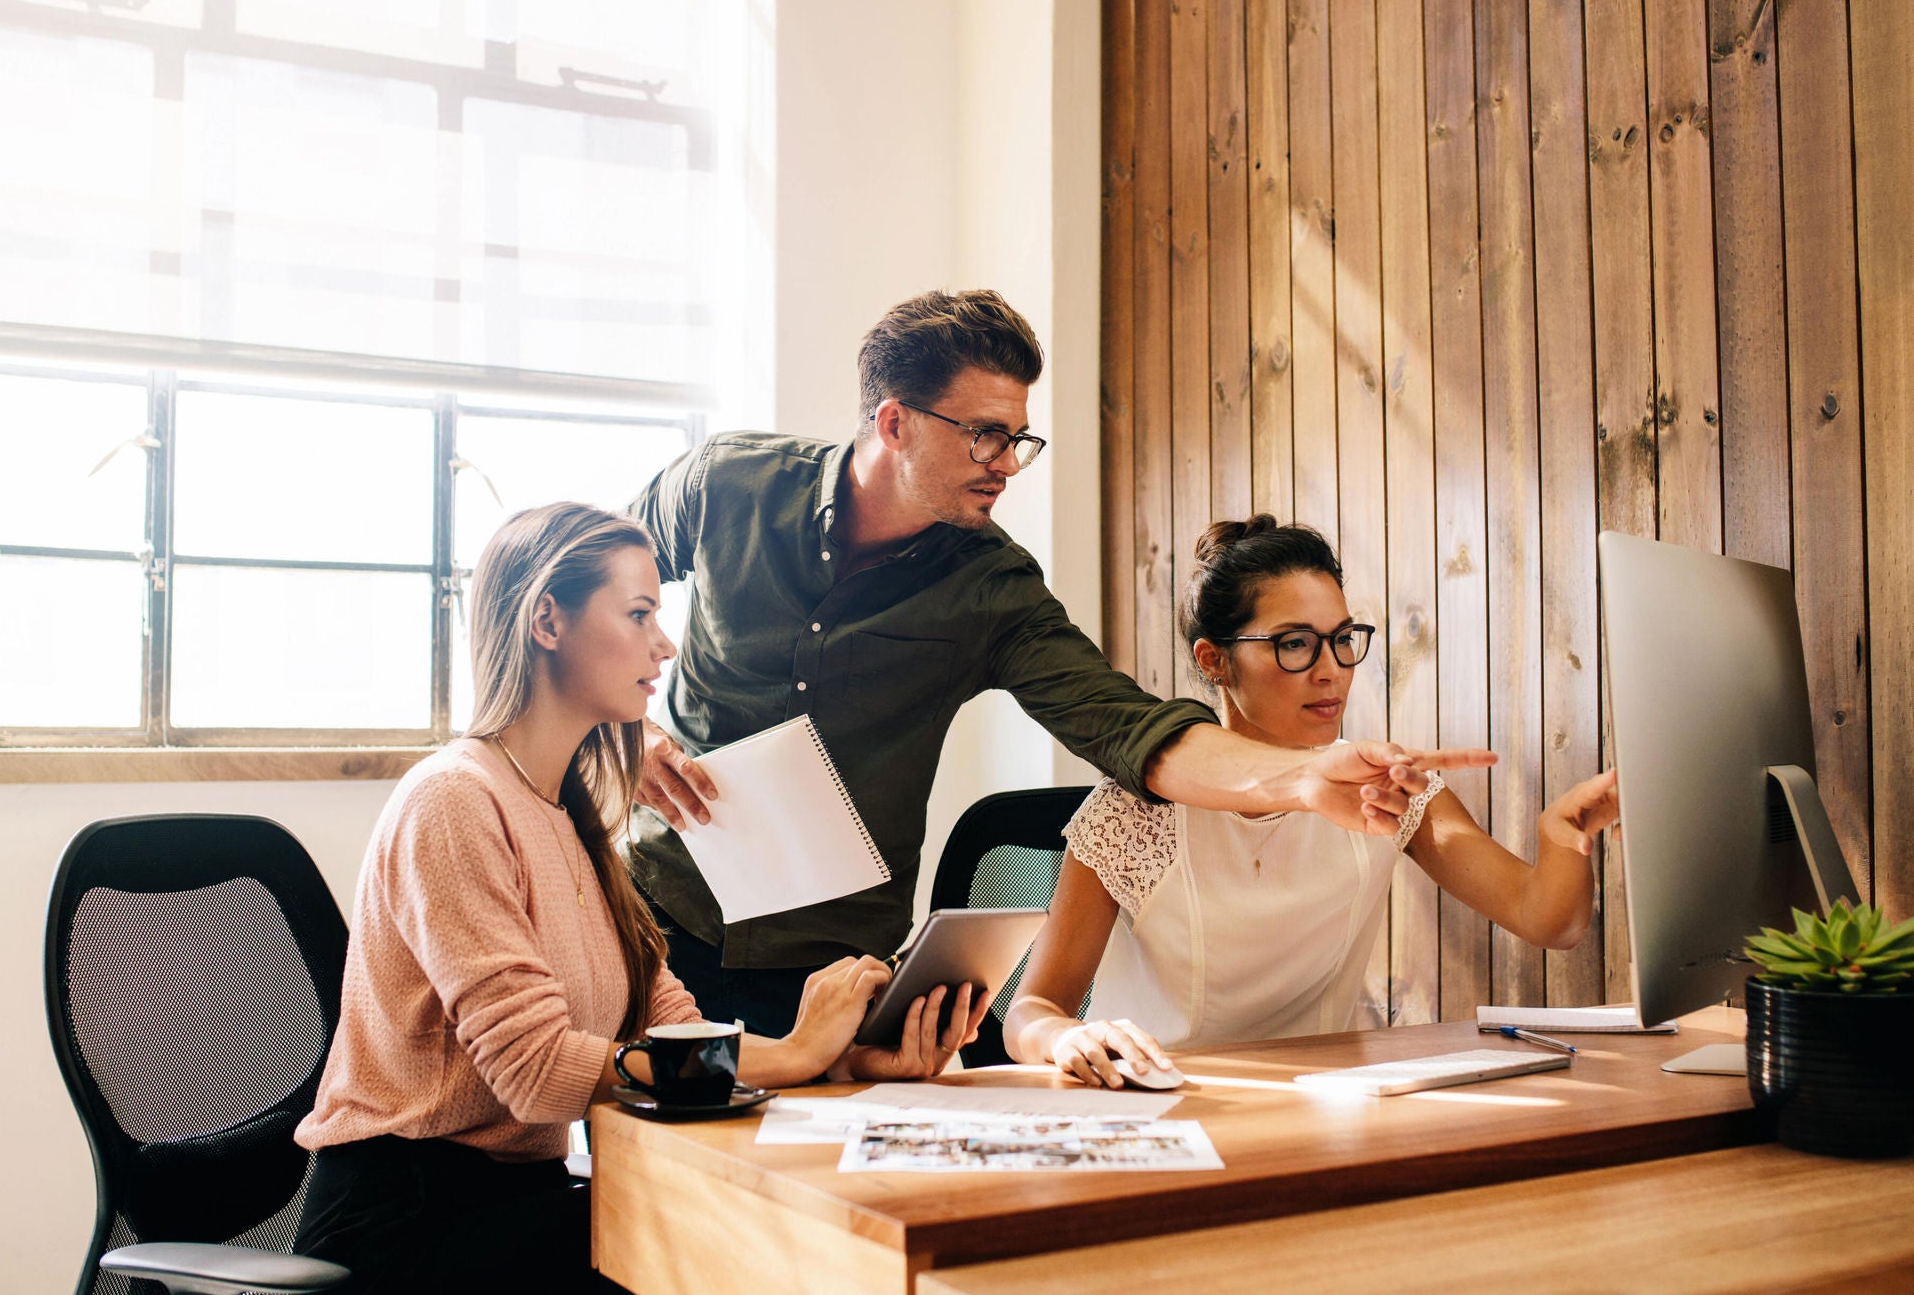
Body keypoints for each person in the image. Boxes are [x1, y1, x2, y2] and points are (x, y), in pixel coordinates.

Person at [625, 288, 1496, 1036]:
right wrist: (626, 733)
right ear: (894, 422)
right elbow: (576, 579)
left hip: (830, 972)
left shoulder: (991, 587)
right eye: (984, 436)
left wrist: (1297, 781)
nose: (1008, 464)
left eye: (1018, 439)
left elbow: (1129, 726)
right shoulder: (726, 484)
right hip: (662, 923)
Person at [292, 503, 983, 1294]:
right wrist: (792, 1051)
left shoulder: (573, 817)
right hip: (407, 1222)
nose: (666, 643)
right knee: (733, 1248)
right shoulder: (452, 800)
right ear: (547, 619)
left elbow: (676, 1028)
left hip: (517, 1204)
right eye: (639, 613)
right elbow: (535, 1070)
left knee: (752, 1233)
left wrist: (835, 1059)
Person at [1002, 517, 1621, 1086]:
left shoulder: (1385, 786)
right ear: (1214, 660)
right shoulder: (1139, 807)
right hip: (1157, 1104)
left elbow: (1549, 919)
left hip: (1327, 1106)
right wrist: (1064, 1036)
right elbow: (1031, 1009)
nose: (1332, 671)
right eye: (1295, 644)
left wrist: (1564, 829)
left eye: (1342, 639)